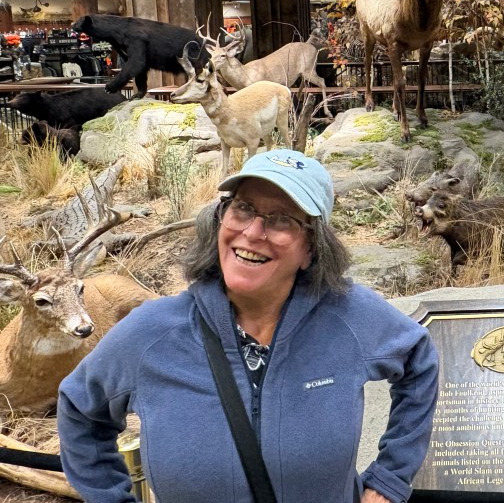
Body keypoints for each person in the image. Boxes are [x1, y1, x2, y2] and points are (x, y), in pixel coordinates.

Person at [57, 149, 439, 503]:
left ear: (311, 248)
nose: (253, 233)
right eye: (243, 209)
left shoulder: (348, 316)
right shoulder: (152, 334)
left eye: (282, 219)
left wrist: (389, 479)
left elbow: (418, 359)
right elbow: (79, 407)